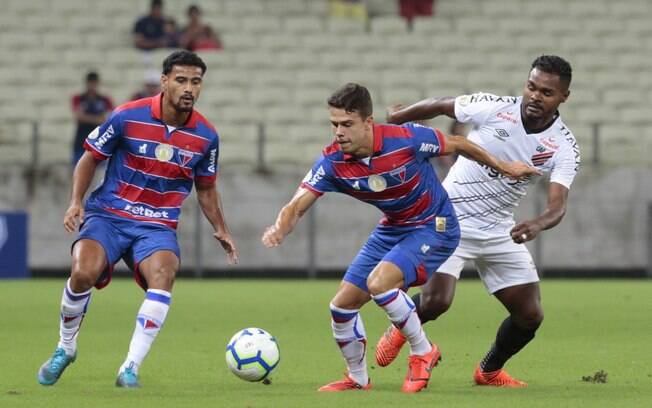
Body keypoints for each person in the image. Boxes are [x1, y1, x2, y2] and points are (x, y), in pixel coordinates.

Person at [261, 83, 539, 393]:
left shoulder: (406, 139)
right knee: (341, 307)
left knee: (380, 283)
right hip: (393, 227)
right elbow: (296, 205)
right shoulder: (333, 162)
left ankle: (423, 351)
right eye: (334, 124)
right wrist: (279, 228)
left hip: (436, 225)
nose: (339, 132)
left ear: (368, 123)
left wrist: (504, 167)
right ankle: (358, 379)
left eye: (347, 124)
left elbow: (459, 143)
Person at [375, 55, 580, 387]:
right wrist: (400, 116)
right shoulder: (494, 107)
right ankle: (401, 327)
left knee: (530, 315)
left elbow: (558, 205)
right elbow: (442, 105)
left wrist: (537, 224)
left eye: (546, 92)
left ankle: (488, 370)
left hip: (501, 228)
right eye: (531, 87)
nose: (535, 97)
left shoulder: (564, 146)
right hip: (449, 217)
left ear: (563, 97)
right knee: (437, 302)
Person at [37, 50, 239, 388]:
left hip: (157, 224)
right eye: (181, 80)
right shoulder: (127, 116)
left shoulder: (206, 136)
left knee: (165, 274)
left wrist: (221, 229)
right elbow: (89, 159)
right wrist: (76, 202)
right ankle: (66, 347)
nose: (189, 88)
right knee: (83, 272)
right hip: (109, 215)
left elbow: (206, 188)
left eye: (196, 81)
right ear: (164, 81)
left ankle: (130, 367)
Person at [71, 72, 114, 165]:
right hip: (81, 141)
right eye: (90, 83)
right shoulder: (79, 98)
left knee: (101, 175)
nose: (92, 86)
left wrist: (87, 118)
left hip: (100, 143)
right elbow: (79, 117)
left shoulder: (104, 99)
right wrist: (97, 120)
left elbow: (107, 119)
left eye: (94, 83)